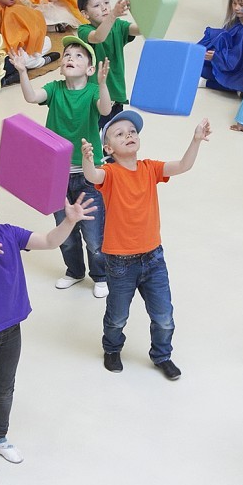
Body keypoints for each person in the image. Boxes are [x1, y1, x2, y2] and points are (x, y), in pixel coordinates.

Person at [0, 182, 97, 474]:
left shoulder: (7, 232)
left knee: (4, 388)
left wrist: (69, 221)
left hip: (10, 328)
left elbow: (49, 241)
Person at [81, 111, 211, 379]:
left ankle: (162, 355)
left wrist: (196, 139)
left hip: (153, 258)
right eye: (119, 134)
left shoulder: (150, 168)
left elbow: (183, 165)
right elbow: (92, 176)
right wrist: (86, 158)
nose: (128, 135)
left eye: (132, 131)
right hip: (119, 263)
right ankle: (112, 348)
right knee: (117, 316)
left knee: (164, 315)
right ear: (108, 149)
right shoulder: (110, 173)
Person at [13, 36, 112, 297]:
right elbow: (31, 97)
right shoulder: (55, 89)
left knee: (93, 235)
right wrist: (22, 71)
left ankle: (100, 275)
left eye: (79, 56)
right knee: (65, 232)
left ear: (90, 70)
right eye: (67, 54)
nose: (70, 58)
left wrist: (102, 84)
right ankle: (74, 271)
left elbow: (105, 110)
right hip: (56, 175)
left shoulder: (93, 91)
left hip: (87, 175)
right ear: (60, 67)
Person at [77, 0, 139, 124]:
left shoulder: (119, 25)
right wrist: (113, 15)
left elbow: (139, 29)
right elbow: (99, 37)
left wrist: (142, 9)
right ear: (85, 14)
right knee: (91, 135)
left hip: (116, 97)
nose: (104, 8)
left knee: (113, 135)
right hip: (93, 99)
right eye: (97, 5)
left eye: (106, 3)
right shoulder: (84, 30)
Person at [198, 0, 243, 95]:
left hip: (239, 72)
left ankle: (209, 83)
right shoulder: (234, 23)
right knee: (197, 65)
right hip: (226, 63)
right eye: (234, 3)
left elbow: (237, 60)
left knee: (236, 83)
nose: (236, 8)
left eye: (241, 5)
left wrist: (217, 57)